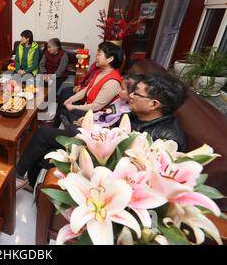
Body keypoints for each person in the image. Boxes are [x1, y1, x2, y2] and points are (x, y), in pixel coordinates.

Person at [16, 73, 187, 189]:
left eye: (137, 94)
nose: (131, 96)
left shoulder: (167, 140)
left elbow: (144, 177)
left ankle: (29, 181)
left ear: (154, 104)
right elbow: (112, 132)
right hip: (101, 149)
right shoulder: (136, 114)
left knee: (47, 151)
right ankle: (23, 178)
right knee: (44, 134)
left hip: (106, 168)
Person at [53, 41, 125, 127]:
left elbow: (96, 106)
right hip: (88, 107)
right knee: (64, 105)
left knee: (65, 111)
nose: (96, 57)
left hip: (95, 116)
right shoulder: (100, 72)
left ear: (110, 59)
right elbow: (86, 89)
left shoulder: (112, 82)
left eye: (99, 54)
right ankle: (55, 126)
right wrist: (71, 99)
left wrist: (74, 107)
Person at [61, 73, 144, 133]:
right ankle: (71, 125)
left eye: (122, 88)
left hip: (99, 129)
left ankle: (72, 128)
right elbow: (103, 112)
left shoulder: (126, 111)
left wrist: (89, 123)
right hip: (98, 119)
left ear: (132, 94)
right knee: (72, 111)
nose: (119, 90)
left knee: (70, 117)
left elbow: (109, 126)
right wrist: (89, 118)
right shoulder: (120, 100)